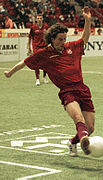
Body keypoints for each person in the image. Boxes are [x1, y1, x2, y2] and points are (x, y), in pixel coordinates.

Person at [4, 7, 94, 157]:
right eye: (60, 39)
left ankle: (73, 142)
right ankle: (84, 140)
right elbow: (24, 63)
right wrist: (10, 73)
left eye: (65, 38)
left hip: (83, 89)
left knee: (90, 127)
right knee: (79, 119)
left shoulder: (71, 47)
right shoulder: (44, 54)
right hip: (67, 92)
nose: (63, 42)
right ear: (52, 38)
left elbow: (84, 38)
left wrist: (88, 20)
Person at [27, 14, 49, 86]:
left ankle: (45, 77)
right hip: (36, 47)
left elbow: (49, 36)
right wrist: (28, 46)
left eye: (40, 18)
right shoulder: (33, 27)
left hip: (44, 46)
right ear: (36, 19)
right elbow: (30, 37)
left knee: (45, 62)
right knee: (37, 63)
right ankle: (37, 79)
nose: (39, 19)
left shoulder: (46, 26)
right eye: (38, 18)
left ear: (42, 19)